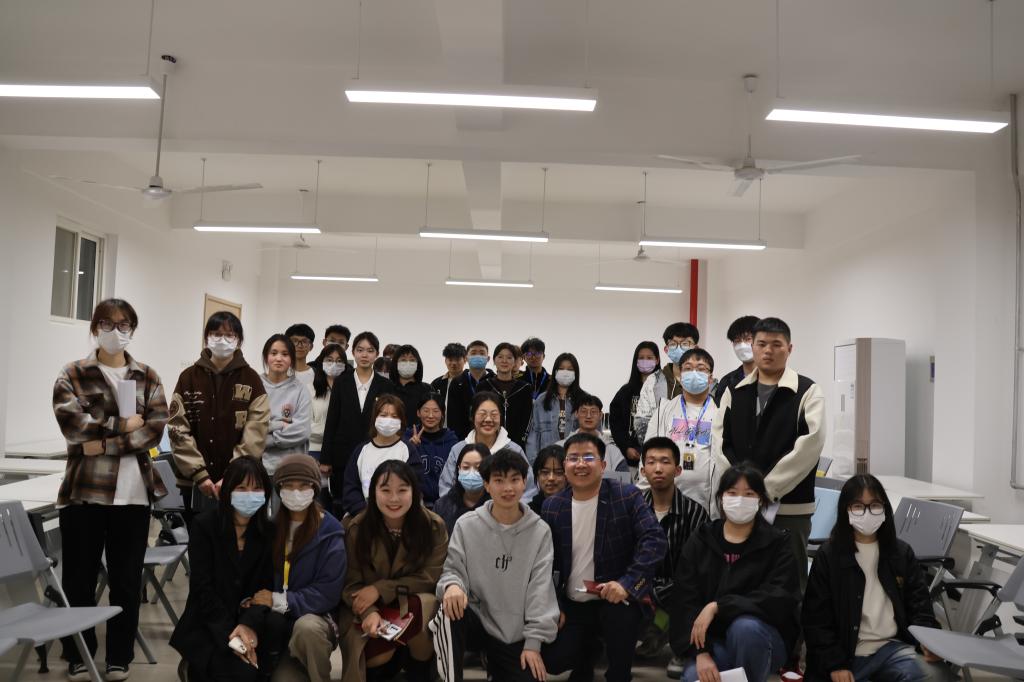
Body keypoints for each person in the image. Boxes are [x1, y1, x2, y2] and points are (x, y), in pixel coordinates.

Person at [52, 298, 169, 682]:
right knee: (78, 581)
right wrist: (123, 424)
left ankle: (120, 656)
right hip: (84, 494)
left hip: (133, 496)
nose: (115, 331)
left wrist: (102, 443)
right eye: (107, 323)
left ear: (132, 329)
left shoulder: (147, 376)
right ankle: (78, 654)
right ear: (94, 327)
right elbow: (73, 427)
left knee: (126, 581)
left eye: (124, 325)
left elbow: (154, 430)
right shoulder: (73, 373)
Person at [542, 433, 668, 682]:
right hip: (574, 602)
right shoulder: (552, 506)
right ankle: (587, 654)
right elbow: (547, 563)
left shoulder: (626, 496)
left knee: (621, 620)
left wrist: (627, 584)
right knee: (553, 660)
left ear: (603, 465)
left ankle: (619, 673)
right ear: (565, 465)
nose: (580, 464)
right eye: (573, 458)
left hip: (616, 598)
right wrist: (555, 605)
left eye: (588, 457)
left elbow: (655, 540)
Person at [802, 475, 952, 682]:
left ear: (884, 509)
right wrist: (834, 663)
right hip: (846, 654)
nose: (867, 513)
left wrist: (927, 642)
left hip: (892, 649)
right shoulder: (829, 556)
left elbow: (920, 608)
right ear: (846, 510)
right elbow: (816, 620)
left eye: (874, 505)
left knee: (937, 676)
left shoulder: (901, 553)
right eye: (858, 506)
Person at [712, 316, 825, 588]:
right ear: (753, 347)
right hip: (740, 506)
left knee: (789, 582)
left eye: (776, 345)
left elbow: (810, 446)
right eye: (761, 344)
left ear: (789, 348)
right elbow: (720, 441)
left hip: (789, 508)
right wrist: (740, 489)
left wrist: (765, 490)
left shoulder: (807, 391)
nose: (768, 351)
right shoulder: (734, 390)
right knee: (741, 579)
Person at [669, 463, 801, 682]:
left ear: (761, 500)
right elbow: (684, 600)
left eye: (749, 494)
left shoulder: (777, 543)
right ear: (721, 497)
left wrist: (719, 606)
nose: (740, 500)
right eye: (732, 493)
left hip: (762, 639)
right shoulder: (702, 539)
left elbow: (780, 597)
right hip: (713, 642)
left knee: (745, 628)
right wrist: (700, 653)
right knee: (694, 676)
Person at [439, 450, 560, 682]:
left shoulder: (540, 531)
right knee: (448, 608)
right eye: (499, 480)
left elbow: (540, 590)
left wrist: (533, 643)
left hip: (513, 633)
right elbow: (452, 570)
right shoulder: (466, 525)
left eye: (515, 479)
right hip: (475, 620)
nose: (508, 488)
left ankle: (494, 662)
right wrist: (452, 585)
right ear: (486, 485)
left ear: (524, 483)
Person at [170, 457, 278, 682]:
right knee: (238, 674)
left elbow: (265, 589)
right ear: (227, 491)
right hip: (210, 622)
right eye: (242, 488)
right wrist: (233, 635)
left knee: (258, 673)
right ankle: (191, 665)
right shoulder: (204, 525)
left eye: (257, 488)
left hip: (249, 620)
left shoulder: (269, 532)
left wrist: (247, 625)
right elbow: (202, 588)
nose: (249, 494)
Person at [340, 460, 449, 682]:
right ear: (373, 492)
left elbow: (431, 576)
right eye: (385, 490)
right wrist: (369, 611)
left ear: (414, 492)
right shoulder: (357, 528)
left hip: (411, 603)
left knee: (425, 605)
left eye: (402, 490)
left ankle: (420, 673)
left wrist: (380, 589)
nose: (394, 499)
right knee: (374, 656)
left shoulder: (433, 526)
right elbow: (351, 584)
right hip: (365, 607)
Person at [169, 310, 269, 529]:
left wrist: (232, 476)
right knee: (200, 540)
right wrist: (200, 474)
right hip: (195, 483)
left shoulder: (252, 379)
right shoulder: (188, 377)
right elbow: (177, 428)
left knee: (237, 539)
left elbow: (256, 431)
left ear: (239, 340)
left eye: (229, 335)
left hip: (241, 484)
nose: (222, 340)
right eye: (216, 334)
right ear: (206, 337)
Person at [262, 454, 346, 682]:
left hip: (316, 619)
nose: (296, 492)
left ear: (315, 488)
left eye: (303, 485)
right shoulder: (271, 530)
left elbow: (327, 593)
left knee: (307, 628)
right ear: (279, 489)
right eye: (288, 485)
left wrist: (279, 600)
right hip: (278, 624)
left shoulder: (330, 533)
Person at [634, 437, 710, 672]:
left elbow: (698, 569)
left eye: (665, 462)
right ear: (643, 470)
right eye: (651, 462)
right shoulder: (633, 508)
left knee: (691, 594)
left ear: (678, 470)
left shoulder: (695, 513)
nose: (658, 468)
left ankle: (682, 649)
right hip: (640, 589)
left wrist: (658, 592)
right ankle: (650, 634)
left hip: (679, 592)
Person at [322, 331, 397, 511]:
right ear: (353, 352)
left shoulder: (386, 385)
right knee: (343, 504)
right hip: (343, 454)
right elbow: (332, 420)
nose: (364, 355)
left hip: (375, 452)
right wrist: (326, 458)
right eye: (360, 350)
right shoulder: (341, 382)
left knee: (374, 502)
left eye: (370, 351)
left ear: (376, 354)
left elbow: (390, 420)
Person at [638, 347, 717, 510]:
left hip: (707, 503)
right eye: (688, 368)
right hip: (665, 501)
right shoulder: (663, 411)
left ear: (710, 379)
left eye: (701, 369)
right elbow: (648, 455)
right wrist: (642, 499)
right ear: (680, 376)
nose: (694, 373)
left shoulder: (720, 415)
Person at [438, 391, 537, 502]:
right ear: (472, 416)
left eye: (494, 415)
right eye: (482, 414)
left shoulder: (514, 451)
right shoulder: (458, 450)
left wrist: (510, 508)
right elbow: (446, 488)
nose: (488, 419)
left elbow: (529, 491)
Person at [341, 394, 424, 515]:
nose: (388, 420)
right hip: (365, 515)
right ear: (375, 418)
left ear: (401, 421)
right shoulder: (361, 450)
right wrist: (365, 512)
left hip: (401, 513)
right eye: (383, 415)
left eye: (394, 416)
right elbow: (350, 488)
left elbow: (416, 486)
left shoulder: (407, 450)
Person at [634, 322, 700, 442]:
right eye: (673, 344)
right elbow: (641, 423)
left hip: (696, 448)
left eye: (685, 343)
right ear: (666, 349)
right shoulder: (653, 381)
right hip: (660, 449)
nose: (679, 348)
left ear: (696, 348)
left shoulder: (705, 381)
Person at [260, 334, 312, 477]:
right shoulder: (255, 385)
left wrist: (264, 440)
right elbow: (249, 425)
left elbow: (302, 431)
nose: (279, 358)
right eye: (274, 353)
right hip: (258, 467)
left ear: (291, 359)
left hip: (291, 469)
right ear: (266, 357)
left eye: (285, 354)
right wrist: (280, 424)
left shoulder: (300, 390)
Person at [610, 341, 661, 470]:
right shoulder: (625, 391)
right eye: (641, 358)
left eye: (649, 358)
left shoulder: (664, 389)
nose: (645, 361)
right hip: (631, 457)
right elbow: (616, 423)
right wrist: (626, 447)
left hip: (658, 455)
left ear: (657, 360)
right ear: (636, 361)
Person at [525, 352, 583, 463]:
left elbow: (594, 434)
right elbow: (533, 435)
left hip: (576, 462)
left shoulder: (583, 400)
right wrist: (534, 463)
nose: (565, 372)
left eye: (570, 369)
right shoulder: (542, 400)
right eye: (561, 368)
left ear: (576, 373)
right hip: (547, 460)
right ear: (555, 372)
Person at [478, 342, 534, 449]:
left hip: (516, 445)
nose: (504, 361)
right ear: (494, 360)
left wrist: (519, 442)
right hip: (488, 443)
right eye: (500, 357)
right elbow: (478, 415)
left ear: (515, 361)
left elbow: (527, 419)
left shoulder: (524, 388)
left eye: (509, 357)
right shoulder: (484, 386)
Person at [406, 394, 459, 505]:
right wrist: (410, 448)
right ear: (418, 413)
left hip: (444, 503)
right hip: (415, 503)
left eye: (436, 411)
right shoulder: (407, 438)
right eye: (426, 411)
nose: (430, 416)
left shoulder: (452, 441)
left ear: (442, 413)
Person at [556, 393, 629, 473]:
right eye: (584, 411)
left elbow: (623, 479)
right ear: (576, 414)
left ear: (600, 415)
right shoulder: (560, 447)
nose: (588, 416)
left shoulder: (613, 452)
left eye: (593, 412)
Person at [433, 443, 491, 533]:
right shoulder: (442, 506)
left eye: (478, 468)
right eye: (466, 467)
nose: (471, 473)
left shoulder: (497, 506)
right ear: (459, 469)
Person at [309, 343, 348, 473]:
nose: (334, 364)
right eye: (329, 360)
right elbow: (306, 426)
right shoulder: (310, 389)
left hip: (342, 452)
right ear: (321, 362)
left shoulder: (350, 390)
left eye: (339, 361)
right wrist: (335, 433)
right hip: (315, 450)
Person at [445, 340, 495, 439]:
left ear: (488, 358)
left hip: (491, 436)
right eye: (473, 353)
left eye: (482, 353)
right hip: (464, 438)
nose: (478, 356)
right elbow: (452, 416)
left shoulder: (494, 381)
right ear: (466, 358)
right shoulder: (457, 382)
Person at [713, 316, 759, 406]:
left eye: (748, 339)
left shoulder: (773, 377)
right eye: (737, 340)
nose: (742, 345)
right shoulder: (727, 381)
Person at [389, 344, 432, 425]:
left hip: (419, 432)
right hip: (391, 432)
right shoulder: (387, 387)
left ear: (418, 364)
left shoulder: (427, 389)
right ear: (395, 363)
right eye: (403, 360)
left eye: (412, 360)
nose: (408, 363)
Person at [430, 342, 467, 426]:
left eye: (457, 359)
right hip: (440, 429)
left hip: (464, 430)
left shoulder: (469, 381)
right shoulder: (436, 383)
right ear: (445, 361)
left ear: (465, 360)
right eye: (450, 359)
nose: (453, 363)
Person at [528, 444, 566, 515]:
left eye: (558, 473)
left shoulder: (573, 508)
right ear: (537, 476)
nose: (551, 478)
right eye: (545, 472)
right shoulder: (528, 512)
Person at [286, 323, 317, 390]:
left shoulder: (318, 375)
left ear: (311, 346)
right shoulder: (279, 373)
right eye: (295, 341)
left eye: (304, 341)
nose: (300, 345)